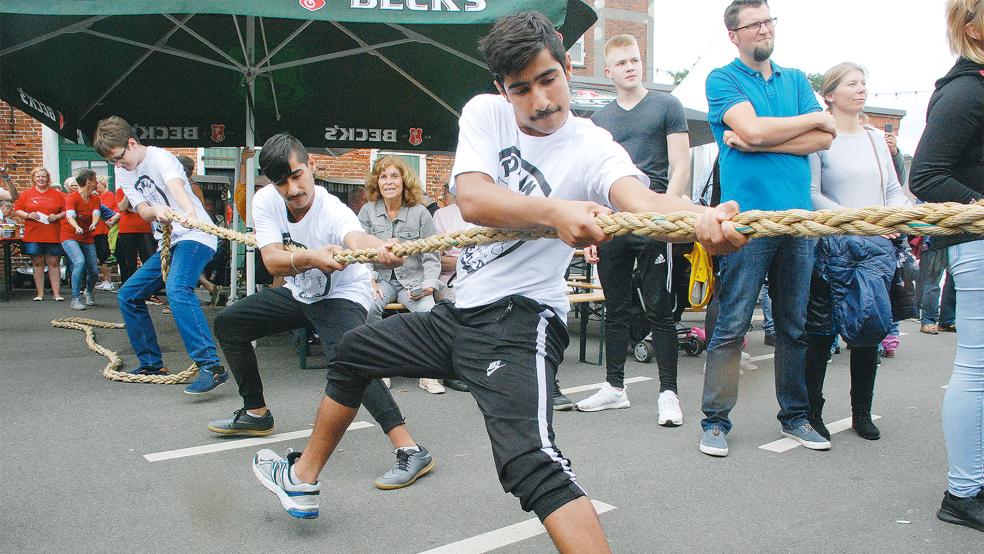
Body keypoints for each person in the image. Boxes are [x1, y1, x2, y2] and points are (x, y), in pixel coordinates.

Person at [250, 12, 746, 548]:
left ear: (567, 69)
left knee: (529, 465)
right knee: (353, 354)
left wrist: (696, 222)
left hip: (523, 319)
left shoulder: (593, 145)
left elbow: (643, 202)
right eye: (521, 89)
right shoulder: (485, 114)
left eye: (548, 79)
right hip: (460, 314)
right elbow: (474, 199)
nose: (539, 101)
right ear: (501, 90)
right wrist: (556, 213)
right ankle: (301, 481)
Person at [209, 133, 435, 493]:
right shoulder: (266, 201)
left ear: (311, 166)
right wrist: (311, 258)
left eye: (297, 175)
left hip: (344, 294)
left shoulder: (332, 210)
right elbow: (271, 260)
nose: (293, 188)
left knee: (350, 361)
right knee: (229, 324)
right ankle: (256, 413)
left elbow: (356, 239)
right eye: (281, 181)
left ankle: (410, 448)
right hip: (301, 292)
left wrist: (382, 249)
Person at [699, 0, 836, 457]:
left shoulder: (795, 79)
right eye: (753, 24)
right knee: (732, 325)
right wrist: (781, 130)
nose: (764, 29)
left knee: (792, 328)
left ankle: (795, 417)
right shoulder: (722, 79)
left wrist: (758, 139)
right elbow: (754, 132)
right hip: (748, 223)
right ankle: (715, 422)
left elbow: (824, 136)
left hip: (798, 221)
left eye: (768, 21)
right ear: (733, 34)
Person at [573, 34, 691, 424]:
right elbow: (591, 179)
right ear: (608, 72)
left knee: (660, 309)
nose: (630, 67)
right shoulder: (599, 120)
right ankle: (614, 387)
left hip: (654, 219)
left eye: (635, 60)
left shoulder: (667, 104)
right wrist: (592, 232)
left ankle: (668, 393)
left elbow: (681, 165)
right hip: (613, 225)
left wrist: (666, 215)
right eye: (622, 62)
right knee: (615, 308)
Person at [804, 62, 910, 442]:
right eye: (852, 83)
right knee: (820, 332)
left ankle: (860, 413)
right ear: (830, 94)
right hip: (832, 247)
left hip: (875, 248)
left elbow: (893, 190)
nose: (861, 89)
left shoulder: (875, 139)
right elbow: (813, 194)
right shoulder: (819, 136)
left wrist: (900, 217)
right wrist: (854, 220)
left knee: (869, 328)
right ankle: (812, 411)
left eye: (864, 82)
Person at [909, 0, 984, 533]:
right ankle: (963, 491)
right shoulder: (965, 92)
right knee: (976, 370)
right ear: (973, 25)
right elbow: (927, 176)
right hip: (977, 243)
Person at [93, 116, 226, 393]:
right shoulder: (123, 171)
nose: (119, 165)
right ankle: (152, 363)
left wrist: (188, 212)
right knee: (128, 294)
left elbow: (177, 187)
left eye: (119, 158)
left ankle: (211, 366)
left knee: (178, 289)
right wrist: (156, 212)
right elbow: (142, 209)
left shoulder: (162, 158)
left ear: (131, 143)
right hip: (169, 241)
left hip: (196, 236)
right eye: (114, 162)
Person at [358, 156, 445, 394]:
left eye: (394, 176)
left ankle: (429, 373)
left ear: (404, 180)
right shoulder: (367, 212)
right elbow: (358, 252)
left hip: (413, 282)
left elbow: (431, 254)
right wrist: (369, 279)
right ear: (377, 182)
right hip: (381, 280)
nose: (388, 182)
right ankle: (379, 369)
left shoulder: (420, 213)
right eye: (383, 176)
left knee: (429, 312)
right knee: (369, 307)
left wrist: (429, 284)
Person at [431, 182, 471, 393]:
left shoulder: (485, 212)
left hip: (478, 278)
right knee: (456, 307)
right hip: (449, 279)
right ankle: (453, 369)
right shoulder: (442, 215)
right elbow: (438, 260)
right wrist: (469, 262)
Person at [12, 167, 65, 301]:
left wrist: (57, 216)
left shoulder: (57, 194)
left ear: (48, 178)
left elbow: (66, 211)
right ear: (33, 178)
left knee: (54, 262)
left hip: (53, 233)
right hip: (34, 234)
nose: (41, 179)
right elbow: (17, 210)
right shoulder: (26, 194)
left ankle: (57, 293)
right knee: (37, 263)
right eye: (38, 177)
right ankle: (40, 293)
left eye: (43, 176)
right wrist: (28, 215)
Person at [60, 169, 104, 310]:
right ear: (88, 181)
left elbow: (96, 213)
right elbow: (70, 216)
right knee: (79, 262)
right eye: (95, 179)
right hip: (69, 235)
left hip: (87, 236)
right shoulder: (72, 198)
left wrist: (94, 223)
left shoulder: (95, 198)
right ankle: (75, 299)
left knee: (94, 271)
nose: (97, 182)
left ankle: (88, 291)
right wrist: (76, 226)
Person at [114, 184, 157, 286]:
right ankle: (129, 286)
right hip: (127, 229)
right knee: (130, 261)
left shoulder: (146, 188)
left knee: (148, 259)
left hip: (145, 228)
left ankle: (148, 287)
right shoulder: (122, 190)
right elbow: (123, 207)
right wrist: (129, 191)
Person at [93, 175, 120, 292]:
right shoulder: (96, 196)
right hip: (96, 230)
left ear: (102, 184)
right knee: (100, 255)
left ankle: (107, 281)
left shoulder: (109, 195)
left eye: (97, 183)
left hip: (105, 230)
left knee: (105, 256)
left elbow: (109, 211)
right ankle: (104, 280)